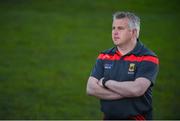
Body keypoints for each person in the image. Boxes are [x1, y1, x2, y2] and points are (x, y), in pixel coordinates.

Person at [86, 11, 159, 120]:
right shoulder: (104, 56)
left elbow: (137, 89)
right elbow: (90, 88)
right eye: (113, 28)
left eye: (120, 28)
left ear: (134, 32)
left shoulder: (148, 58)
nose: (115, 32)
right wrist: (126, 92)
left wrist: (106, 82)